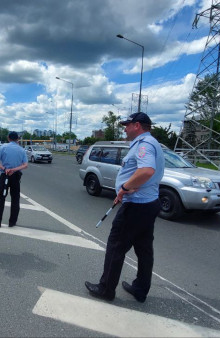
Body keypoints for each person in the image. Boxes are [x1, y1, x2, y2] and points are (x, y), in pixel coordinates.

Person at [85, 112, 165, 303]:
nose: (125, 128)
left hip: (137, 205)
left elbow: (146, 170)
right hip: (148, 203)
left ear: (137, 125)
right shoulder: (151, 143)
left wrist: (124, 188)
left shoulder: (144, 144)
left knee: (116, 246)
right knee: (144, 249)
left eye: (127, 125)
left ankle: (106, 289)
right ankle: (140, 288)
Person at [0, 131, 28, 227]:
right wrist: (14, 169)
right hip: (15, 177)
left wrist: (5, 168)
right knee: (15, 199)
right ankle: (12, 222)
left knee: (1, 198)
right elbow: (25, 165)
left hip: (5, 176)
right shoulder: (21, 150)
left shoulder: (3, 147)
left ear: (8, 138)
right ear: (18, 139)